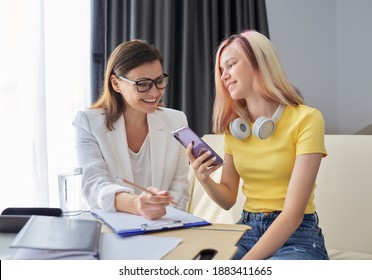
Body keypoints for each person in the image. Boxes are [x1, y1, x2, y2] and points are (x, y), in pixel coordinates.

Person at [186, 30, 329, 260]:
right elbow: (228, 198)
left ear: (259, 63)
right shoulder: (236, 130)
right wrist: (203, 178)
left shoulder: (307, 119)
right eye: (221, 70)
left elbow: (293, 215)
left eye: (231, 65)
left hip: (297, 234)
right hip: (248, 229)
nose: (224, 76)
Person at [73, 40, 190, 220]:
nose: (154, 92)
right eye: (142, 84)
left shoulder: (176, 120)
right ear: (116, 83)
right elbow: (94, 183)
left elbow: (179, 187)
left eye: (159, 81)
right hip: (108, 226)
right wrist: (136, 205)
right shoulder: (88, 122)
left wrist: (163, 218)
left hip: (163, 224)